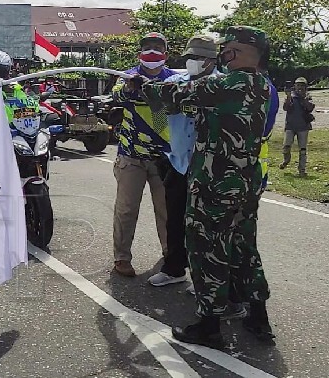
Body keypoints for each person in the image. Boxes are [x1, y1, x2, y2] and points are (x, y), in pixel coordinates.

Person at [132, 26, 275, 348]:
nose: (223, 55)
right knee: (244, 248)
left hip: (214, 184)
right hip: (246, 183)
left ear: (234, 52)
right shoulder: (262, 86)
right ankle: (258, 317)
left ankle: (209, 325)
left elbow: (172, 97)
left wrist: (143, 85)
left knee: (207, 250)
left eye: (226, 50)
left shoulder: (224, 84)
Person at [147, 35, 220, 288]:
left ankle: (205, 279)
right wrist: (164, 142)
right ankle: (174, 268)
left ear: (212, 60)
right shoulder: (172, 83)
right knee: (175, 218)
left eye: (199, 58)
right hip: (178, 162)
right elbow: (157, 112)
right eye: (190, 57)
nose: (193, 62)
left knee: (206, 224)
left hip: (210, 168)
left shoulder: (221, 86)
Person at [110, 32, 177, 277]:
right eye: (146, 47)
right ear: (139, 53)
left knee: (167, 211)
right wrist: (131, 87)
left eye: (157, 48)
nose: (151, 52)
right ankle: (121, 258)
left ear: (166, 54)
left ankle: (171, 255)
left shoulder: (176, 79)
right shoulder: (126, 77)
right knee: (126, 210)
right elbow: (117, 95)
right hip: (131, 156)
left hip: (165, 159)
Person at [279, 77, 314, 176]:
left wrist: (304, 99)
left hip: (303, 126)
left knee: (302, 150)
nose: (300, 87)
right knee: (286, 146)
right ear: (294, 86)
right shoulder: (291, 96)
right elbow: (286, 108)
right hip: (290, 126)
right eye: (298, 85)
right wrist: (289, 97)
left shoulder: (307, 97)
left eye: (302, 85)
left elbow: (310, 108)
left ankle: (302, 170)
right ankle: (286, 161)